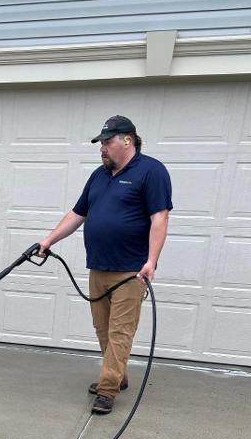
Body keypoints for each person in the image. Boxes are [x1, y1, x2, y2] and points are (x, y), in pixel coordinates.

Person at [38, 115, 172, 414]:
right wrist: (48, 241)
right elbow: (77, 214)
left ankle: (108, 389)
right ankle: (118, 376)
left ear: (127, 140)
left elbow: (160, 218)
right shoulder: (99, 176)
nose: (102, 148)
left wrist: (151, 261)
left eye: (107, 142)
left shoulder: (151, 171)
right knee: (102, 328)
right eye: (100, 143)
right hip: (98, 266)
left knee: (120, 332)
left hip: (130, 270)